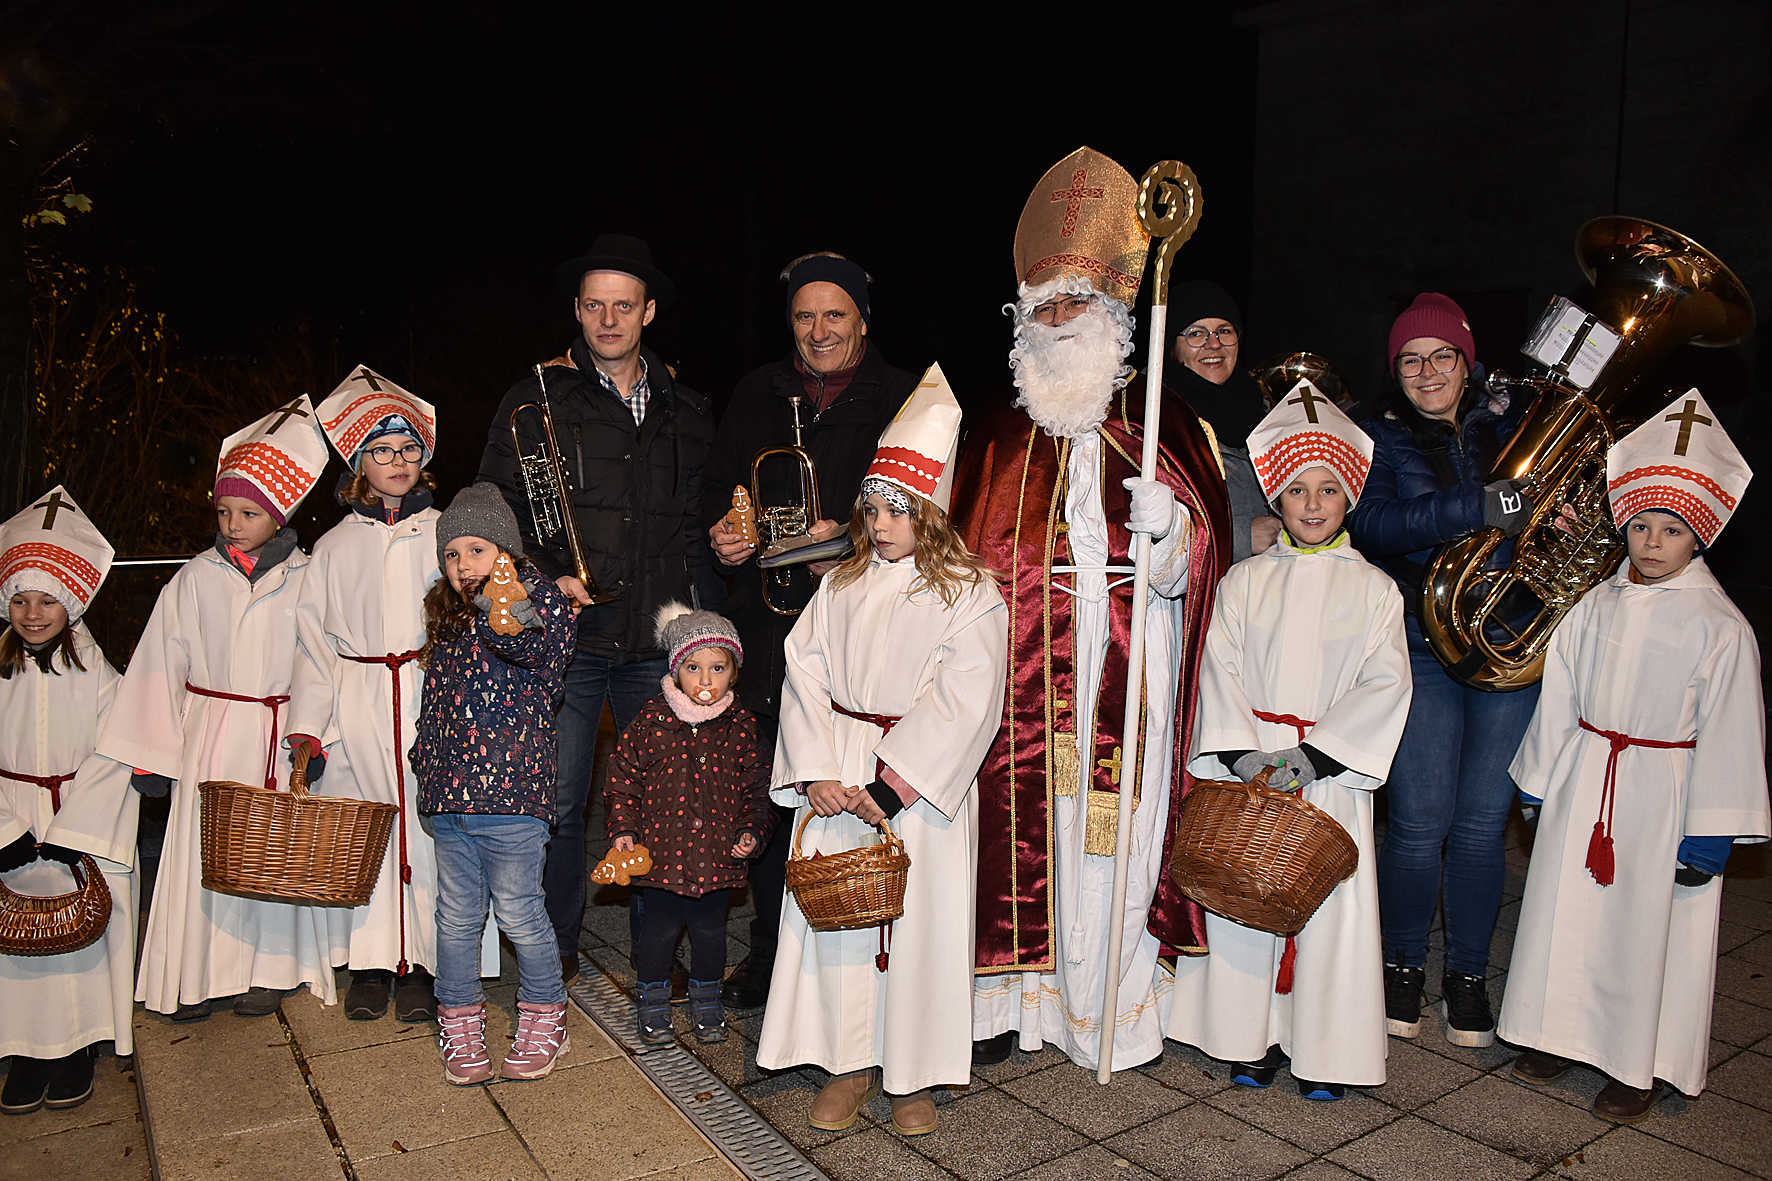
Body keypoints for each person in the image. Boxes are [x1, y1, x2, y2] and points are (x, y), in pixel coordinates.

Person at [953, 147, 1230, 1072]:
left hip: (1129, 664)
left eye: (1077, 301)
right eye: (1044, 305)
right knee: (1023, 825)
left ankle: (1114, 1004)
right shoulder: (996, 433)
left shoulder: (1165, 422)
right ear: (1021, 320)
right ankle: (1015, 1001)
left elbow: (1206, 566)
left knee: (1121, 832)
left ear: (1114, 310)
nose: (1060, 318)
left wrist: (1173, 534)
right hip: (1026, 680)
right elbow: (966, 562)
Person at [1499, 392, 1768, 1123]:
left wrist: (1709, 833)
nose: (1652, 542)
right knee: (1567, 913)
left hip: (1663, 792)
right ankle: (1554, 1033)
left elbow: (1733, 732)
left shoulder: (1721, 628)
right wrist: (1540, 782)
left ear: (1699, 537)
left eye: (1672, 530)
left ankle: (1637, 1062)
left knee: (1644, 931)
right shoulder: (1595, 605)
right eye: (1642, 525)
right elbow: (1561, 695)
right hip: (1587, 774)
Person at [758, 367, 1007, 1136]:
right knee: (842, 921)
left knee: (918, 927)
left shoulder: (969, 592)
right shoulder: (842, 586)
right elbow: (804, 672)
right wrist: (817, 770)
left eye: (898, 507)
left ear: (931, 509)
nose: (881, 521)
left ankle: (913, 1073)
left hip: (917, 789)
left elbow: (968, 698)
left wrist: (895, 785)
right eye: (872, 506)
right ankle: (847, 1061)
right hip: (842, 768)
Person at [478, 234, 722, 988]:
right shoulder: (535, 401)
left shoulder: (689, 410)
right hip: (570, 641)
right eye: (594, 305)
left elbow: (696, 530)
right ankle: (552, 948)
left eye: (623, 305)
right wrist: (545, 577)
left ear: (648, 312)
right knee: (556, 801)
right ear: (577, 311)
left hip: (657, 642)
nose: (608, 320)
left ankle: (656, 953)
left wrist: (710, 626)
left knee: (663, 803)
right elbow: (496, 512)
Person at [1166, 384, 1410, 1100]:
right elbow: (1218, 666)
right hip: (1254, 770)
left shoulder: (1376, 590)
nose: (1312, 504)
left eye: (1328, 489)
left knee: (1330, 913)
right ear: (1275, 497)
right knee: (1245, 898)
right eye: (1297, 490)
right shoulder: (1244, 581)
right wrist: (1244, 756)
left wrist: (1313, 758)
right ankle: (1250, 1038)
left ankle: (1324, 1049)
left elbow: (1385, 682)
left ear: (1349, 498)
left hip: (1326, 773)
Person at [703, 252, 919, 1010]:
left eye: (835, 314)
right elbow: (719, 488)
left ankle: (877, 958)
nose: (819, 330)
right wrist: (724, 535)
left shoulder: (903, 396)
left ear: (863, 319)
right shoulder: (757, 391)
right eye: (804, 315)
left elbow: (928, 513)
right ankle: (770, 951)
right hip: (767, 633)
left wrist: (854, 544)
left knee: (854, 790)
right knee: (774, 793)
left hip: (863, 636)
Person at [100, 398, 337, 1020]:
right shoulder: (194, 578)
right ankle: (194, 973)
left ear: (280, 515)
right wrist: (151, 754)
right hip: (205, 734)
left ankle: (267, 969)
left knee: (270, 855)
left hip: (273, 736)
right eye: (225, 511)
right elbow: (160, 662)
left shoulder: (307, 578)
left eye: (250, 513)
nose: (233, 524)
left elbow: (318, 660)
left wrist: (310, 733)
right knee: (201, 854)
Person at [1350, 293, 1535, 1048]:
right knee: (1419, 822)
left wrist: (1553, 520)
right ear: (1395, 371)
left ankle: (1466, 975)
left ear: (1467, 360)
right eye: (1410, 360)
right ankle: (1400, 968)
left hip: (1509, 638)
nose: (1427, 372)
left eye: (1441, 356)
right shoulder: (1378, 433)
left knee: (1483, 824)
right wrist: (1475, 506)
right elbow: (1373, 524)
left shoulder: (1517, 423)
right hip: (1422, 642)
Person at [289, 367, 496, 1022]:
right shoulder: (333, 546)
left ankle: (431, 963)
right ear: (359, 463)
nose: (398, 460)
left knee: (435, 830)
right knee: (368, 828)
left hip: (429, 690)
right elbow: (313, 643)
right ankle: (374, 961)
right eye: (381, 450)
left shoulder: (446, 535)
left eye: (409, 448)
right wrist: (310, 731)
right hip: (358, 700)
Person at [412, 484, 578, 1084]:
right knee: (455, 918)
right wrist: (424, 760)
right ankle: (459, 1019)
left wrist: (501, 602)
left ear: (506, 551)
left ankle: (545, 1014)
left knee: (519, 914)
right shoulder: (448, 614)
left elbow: (536, 652)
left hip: (512, 797)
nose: (463, 564)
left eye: (477, 550)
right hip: (451, 798)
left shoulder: (536, 603)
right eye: (452, 554)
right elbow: (437, 702)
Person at [0, 487, 137, 1115]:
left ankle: (77, 1047)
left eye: (47, 599)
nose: (33, 614)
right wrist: (6, 832)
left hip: (76, 824)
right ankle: (24, 1051)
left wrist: (74, 832)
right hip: (14, 818)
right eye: (20, 600)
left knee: (76, 939)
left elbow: (115, 755)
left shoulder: (101, 678)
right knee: (16, 942)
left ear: (73, 602)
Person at [605, 604, 774, 1047]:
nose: (705, 680)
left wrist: (751, 831)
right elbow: (623, 778)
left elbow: (759, 788)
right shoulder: (651, 721)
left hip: (717, 856)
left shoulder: (741, 727)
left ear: (734, 674)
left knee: (711, 933)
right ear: (676, 670)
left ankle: (707, 1001)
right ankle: (652, 1001)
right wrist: (623, 830)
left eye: (718, 668)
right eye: (693, 668)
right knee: (658, 932)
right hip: (660, 855)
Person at [1166, 280, 1280, 563]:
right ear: (1172, 346)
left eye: (1224, 331)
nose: (1214, 344)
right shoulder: (1153, 416)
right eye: (1196, 334)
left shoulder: (1260, 403)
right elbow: (1138, 531)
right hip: (1200, 587)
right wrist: (1240, 538)